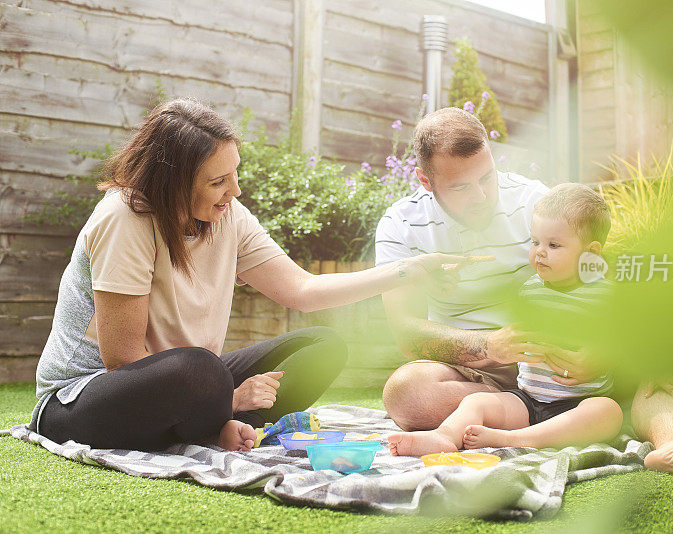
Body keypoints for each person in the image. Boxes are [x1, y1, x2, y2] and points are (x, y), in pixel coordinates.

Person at [31, 98, 476, 452]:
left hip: (189, 381)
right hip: (85, 397)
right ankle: (220, 418)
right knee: (200, 370)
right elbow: (123, 361)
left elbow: (301, 290)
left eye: (235, 173)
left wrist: (407, 271)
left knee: (320, 345)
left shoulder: (229, 216)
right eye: (218, 180)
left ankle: (214, 423)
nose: (236, 190)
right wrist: (229, 399)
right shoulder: (124, 218)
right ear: (173, 183)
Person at [377, 107, 673, 474]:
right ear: (426, 181)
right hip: (483, 373)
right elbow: (406, 332)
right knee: (406, 392)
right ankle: (550, 422)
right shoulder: (401, 225)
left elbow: (611, 271)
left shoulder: (536, 202)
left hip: (576, 355)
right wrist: (490, 346)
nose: (481, 195)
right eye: (461, 186)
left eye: (487, 177)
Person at [387, 183, 623, 455]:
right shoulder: (529, 289)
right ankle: (444, 435)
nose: (540, 252)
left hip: (581, 402)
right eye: (535, 242)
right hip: (526, 400)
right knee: (476, 403)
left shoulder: (607, 294)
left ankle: (514, 439)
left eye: (554, 245)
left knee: (608, 413)